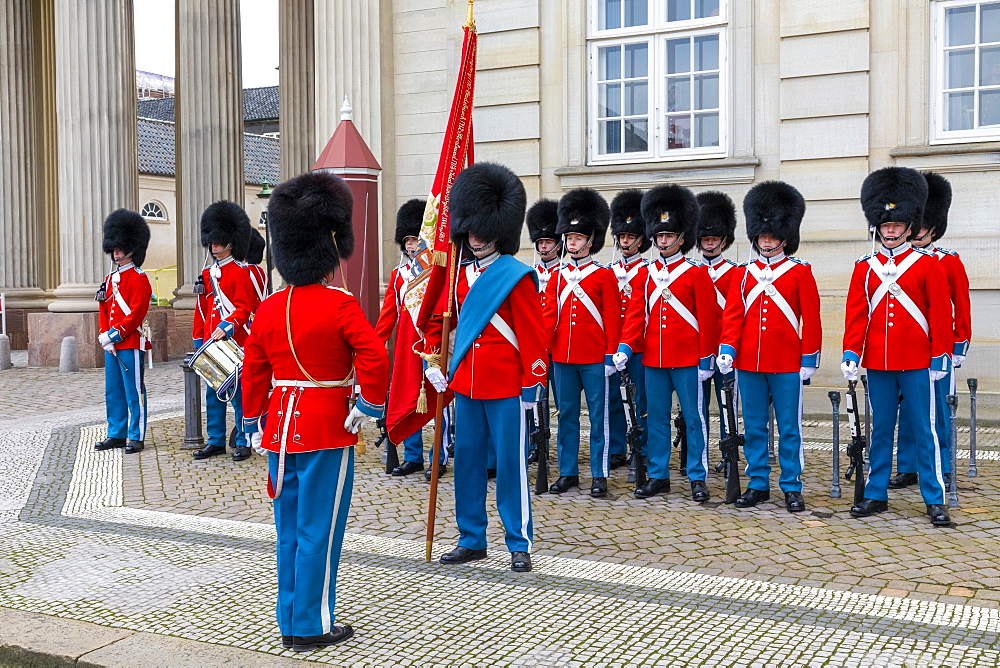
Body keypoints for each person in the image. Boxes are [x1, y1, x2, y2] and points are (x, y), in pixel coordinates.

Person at [242, 171, 389, 651]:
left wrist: (251, 419)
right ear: (329, 251)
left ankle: (289, 617)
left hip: (278, 428)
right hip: (327, 425)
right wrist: (368, 403)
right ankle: (310, 625)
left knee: (288, 529)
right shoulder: (340, 304)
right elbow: (375, 356)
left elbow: (254, 371)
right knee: (318, 530)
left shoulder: (269, 307)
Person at [422, 162, 547, 573]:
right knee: (467, 465)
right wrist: (435, 361)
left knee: (511, 467)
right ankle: (471, 537)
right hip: (466, 385)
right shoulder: (458, 274)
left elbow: (532, 337)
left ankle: (518, 541)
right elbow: (446, 322)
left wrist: (532, 388)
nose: (474, 237)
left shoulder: (517, 276)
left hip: (507, 386)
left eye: (481, 229)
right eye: (470, 229)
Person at [844, 166, 953, 527]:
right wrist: (851, 352)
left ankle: (934, 497)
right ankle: (875, 493)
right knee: (880, 430)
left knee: (925, 430)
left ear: (909, 226)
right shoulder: (866, 267)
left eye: (896, 226)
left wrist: (941, 354)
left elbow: (939, 314)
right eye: (885, 225)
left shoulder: (927, 265)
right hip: (878, 363)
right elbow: (857, 315)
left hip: (919, 361)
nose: (890, 231)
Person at [716, 182, 822, 512]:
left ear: (784, 236)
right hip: (749, 363)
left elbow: (812, 319)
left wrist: (809, 358)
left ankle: (791, 484)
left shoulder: (800, 272)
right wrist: (727, 349)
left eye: (772, 235)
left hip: (788, 362)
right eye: (762, 235)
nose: (766, 240)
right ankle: (758, 482)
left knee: (789, 428)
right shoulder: (744, 274)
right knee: (755, 426)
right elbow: (733, 318)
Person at [614, 184, 718, 501]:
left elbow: (709, 320)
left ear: (681, 238)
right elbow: (636, 316)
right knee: (655, 420)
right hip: (654, 361)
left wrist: (706, 360)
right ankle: (658, 475)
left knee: (693, 419)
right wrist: (625, 347)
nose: (662, 240)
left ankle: (697, 477)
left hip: (687, 360)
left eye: (668, 236)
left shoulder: (696, 272)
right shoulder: (646, 273)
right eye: (659, 236)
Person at [892, 172, 971, 489]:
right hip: (907, 347)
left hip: (939, 348)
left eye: (925, 225)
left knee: (938, 409)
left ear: (934, 227)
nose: (920, 231)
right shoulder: (895, 261)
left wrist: (958, 346)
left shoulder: (948, 261)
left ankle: (942, 464)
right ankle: (908, 465)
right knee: (908, 410)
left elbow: (960, 307)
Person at [543, 188, 621, 498]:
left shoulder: (603, 275)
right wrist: (544, 349)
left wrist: (611, 355)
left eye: (578, 238)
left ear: (590, 241)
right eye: (569, 238)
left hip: (594, 358)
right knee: (566, 417)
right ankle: (568, 472)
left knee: (599, 418)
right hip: (563, 357)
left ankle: (600, 474)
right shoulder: (558, 276)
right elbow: (549, 316)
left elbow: (613, 318)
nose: (572, 243)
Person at [374, 198, 447, 478]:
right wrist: (373, 343)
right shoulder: (398, 276)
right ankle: (413, 454)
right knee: (406, 398)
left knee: (436, 402)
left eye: (416, 239)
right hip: (405, 347)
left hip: (432, 345)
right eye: (407, 240)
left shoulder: (436, 272)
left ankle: (437, 456)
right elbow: (388, 315)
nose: (411, 245)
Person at [190, 201, 261, 462]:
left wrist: (226, 326)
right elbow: (202, 308)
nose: (214, 245)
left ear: (230, 242)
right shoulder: (207, 273)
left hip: (234, 342)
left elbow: (245, 307)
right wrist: (200, 337)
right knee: (213, 394)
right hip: (211, 342)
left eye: (218, 241)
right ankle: (215, 440)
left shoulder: (241, 272)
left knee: (238, 395)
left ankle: (243, 440)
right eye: (212, 240)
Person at [95, 209, 152, 454]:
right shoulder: (110, 278)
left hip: (130, 342)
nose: (116, 252)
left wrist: (114, 334)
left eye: (120, 248)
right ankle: (116, 433)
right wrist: (104, 334)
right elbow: (104, 308)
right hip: (112, 343)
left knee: (133, 391)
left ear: (131, 248)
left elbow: (136, 314)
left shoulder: (139, 278)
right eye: (114, 248)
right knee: (114, 391)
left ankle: (136, 435)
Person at [605, 189, 649, 469]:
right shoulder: (608, 270)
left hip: (640, 345)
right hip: (613, 343)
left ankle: (641, 448)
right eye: (621, 236)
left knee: (640, 398)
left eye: (630, 236)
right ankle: (618, 447)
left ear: (640, 240)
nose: (624, 241)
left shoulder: (649, 269)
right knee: (613, 398)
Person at [694, 191, 739, 450]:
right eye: (705, 239)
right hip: (699, 347)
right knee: (697, 407)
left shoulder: (735, 272)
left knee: (727, 405)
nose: (710, 244)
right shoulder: (691, 272)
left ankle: (728, 450)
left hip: (724, 348)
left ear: (724, 241)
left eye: (714, 239)